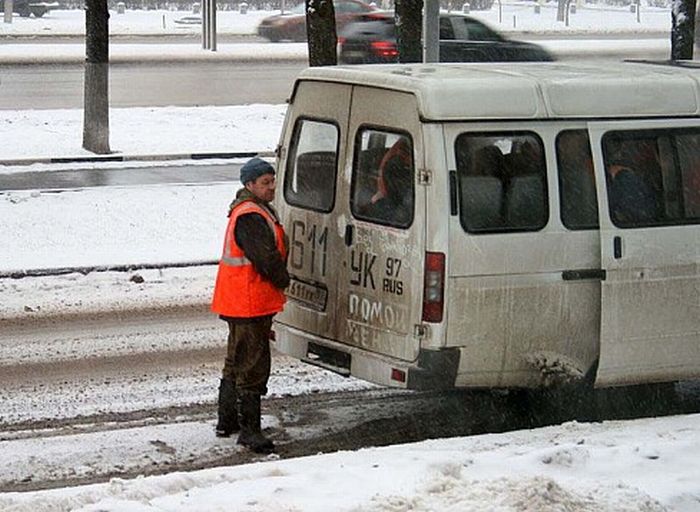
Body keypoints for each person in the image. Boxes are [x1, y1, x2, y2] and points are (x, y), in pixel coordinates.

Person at [211, 157, 290, 454]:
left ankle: (227, 420)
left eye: (272, 181)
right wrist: (283, 279)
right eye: (265, 183)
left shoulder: (249, 210)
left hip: (240, 300)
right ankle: (250, 431)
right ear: (249, 185)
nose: (271, 187)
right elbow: (266, 258)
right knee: (253, 366)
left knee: (236, 360)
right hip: (250, 301)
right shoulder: (250, 215)